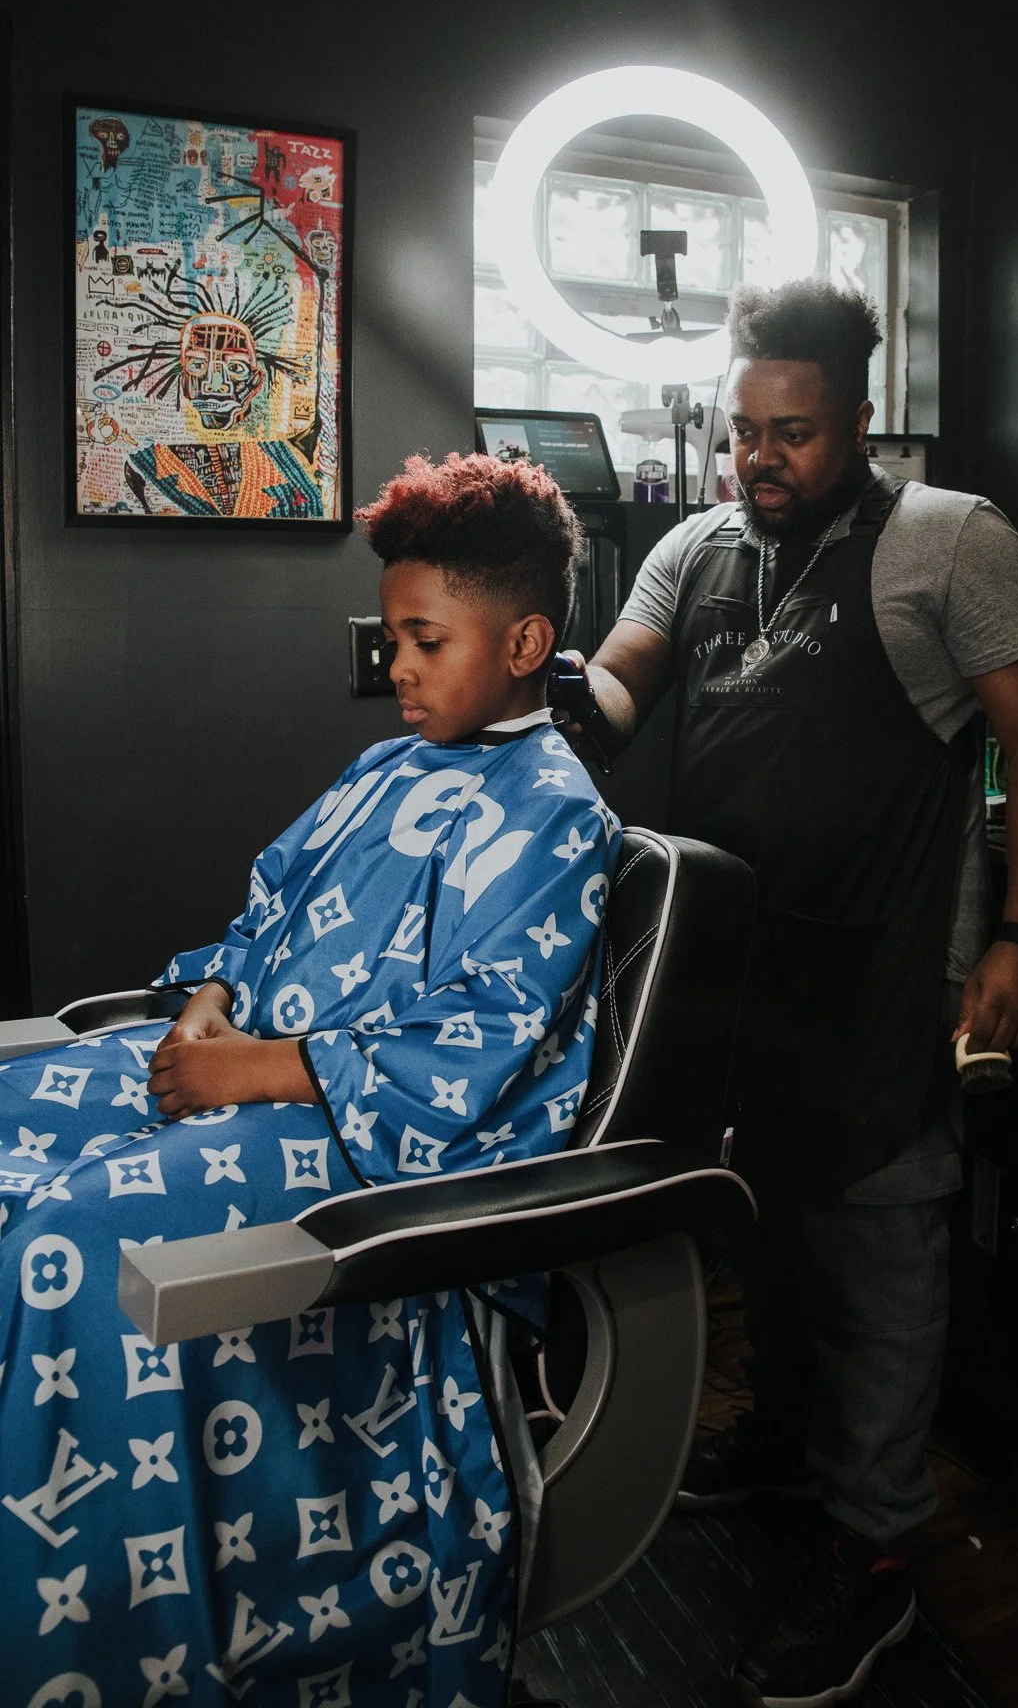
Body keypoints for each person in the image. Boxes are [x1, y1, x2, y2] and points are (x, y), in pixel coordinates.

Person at [0, 452, 619, 1708]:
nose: (394, 665)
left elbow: (475, 1049)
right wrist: (213, 1003)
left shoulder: (560, 814)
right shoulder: (385, 767)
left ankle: (92, 1652)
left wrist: (246, 1067)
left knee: (61, 1237)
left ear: (525, 641)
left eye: (423, 639)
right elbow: (265, 908)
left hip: (366, 1143)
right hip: (240, 1062)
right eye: (389, 636)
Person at [576, 279, 1018, 1708]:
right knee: (776, 1235)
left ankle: (872, 1558)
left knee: (879, 1257)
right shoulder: (696, 546)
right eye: (745, 431)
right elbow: (619, 686)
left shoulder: (948, 543)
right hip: (743, 983)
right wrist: (543, 689)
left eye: (792, 433)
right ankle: (790, 1450)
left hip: (885, 978)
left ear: (858, 419)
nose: (761, 458)